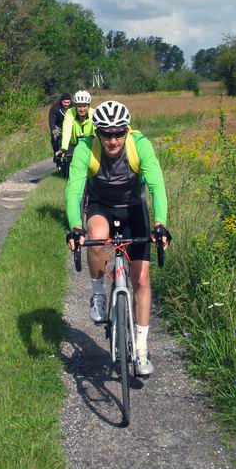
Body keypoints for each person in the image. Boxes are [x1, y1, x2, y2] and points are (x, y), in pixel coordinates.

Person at [65, 99, 171, 376]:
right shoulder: (86, 149)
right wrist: (75, 225)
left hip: (134, 209)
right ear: (97, 132)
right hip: (101, 206)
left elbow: (157, 185)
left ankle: (141, 349)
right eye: (106, 133)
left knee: (142, 279)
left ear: (127, 130)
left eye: (118, 132)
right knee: (97, 237)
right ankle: (98, 293)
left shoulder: (140, 145)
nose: (113, 140)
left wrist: (160, 223)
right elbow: (74, 192)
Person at [57, 89, 95, 163]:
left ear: (89, 106)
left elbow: (97, 129)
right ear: (75, 106)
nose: (82, 109)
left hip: (90, 143)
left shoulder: (94, 113)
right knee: (68, 160)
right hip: (74, 144)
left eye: (84, 106)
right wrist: (64, 147)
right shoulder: (70, 112)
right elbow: (67, 130)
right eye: (79, 106)